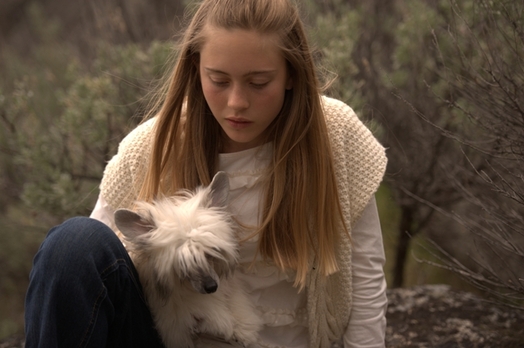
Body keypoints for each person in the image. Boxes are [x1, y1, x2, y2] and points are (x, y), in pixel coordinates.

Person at [24, 0, 388, 347]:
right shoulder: (152, 146)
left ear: (292, 74)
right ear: (196, 68)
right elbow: (91, 272)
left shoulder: (333, 135)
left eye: (258, 82)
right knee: (71, 244)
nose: (236, 103)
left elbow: (366, 280)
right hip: (171, 339)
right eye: (218, 79)